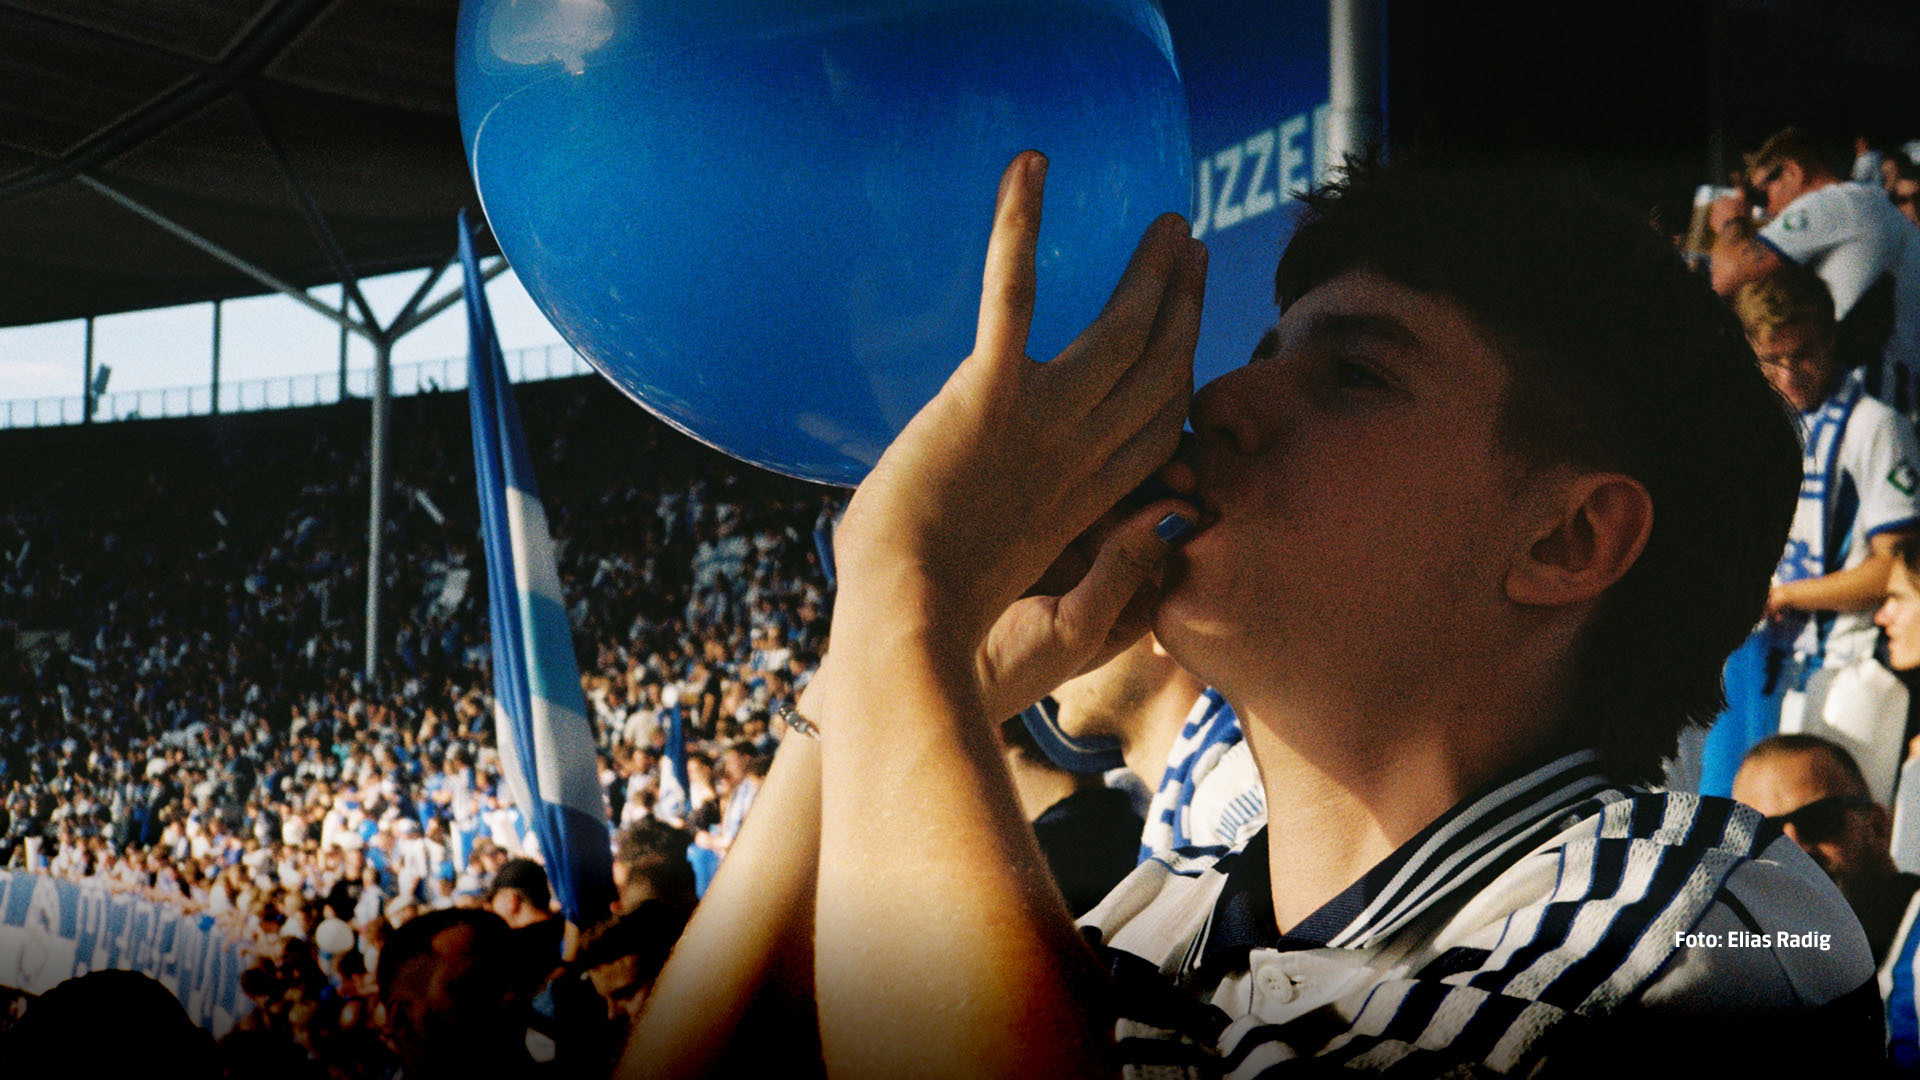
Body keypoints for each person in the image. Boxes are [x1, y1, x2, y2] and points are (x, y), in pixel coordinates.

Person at [793, 150, 1882, 1077]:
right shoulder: (1147, 922)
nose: (1221, 401)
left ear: (1566, 540)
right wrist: (874, 684)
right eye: (1267, 354)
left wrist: (907, 595)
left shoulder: (1708, 928)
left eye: (1353, 375)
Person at [1694, 266, 1920, 795]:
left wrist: (1788, 595)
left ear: (1831, 338)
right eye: (1774, 360)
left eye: (1805, 354)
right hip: (1765, 659)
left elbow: (1897, 565)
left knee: (1827, 825)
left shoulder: (1876, 426)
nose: (1792, 373)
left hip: (1847, 664)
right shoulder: (1759, 427)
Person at [1711, 127, 1920, 414]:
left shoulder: (1837, 201)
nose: (1767, 208)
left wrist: (1730, 222)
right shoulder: (1865, 200)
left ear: (1793, 172)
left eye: (1761, 194)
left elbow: (1725, 277)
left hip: (1873, 399)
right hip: (1887, 393)